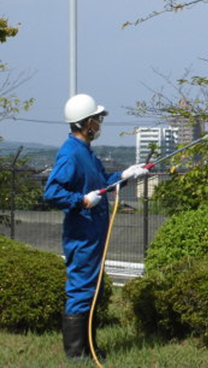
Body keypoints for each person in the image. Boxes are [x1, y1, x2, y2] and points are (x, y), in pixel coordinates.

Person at [43, 93, 148, 361]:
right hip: (82, 233)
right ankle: (77, 353)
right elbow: (52, 192)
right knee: (81, 287)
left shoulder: (85, 152)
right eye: (98, 120)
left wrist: (125, 176)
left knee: (93, 288)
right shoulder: (71, 154)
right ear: (87, 123)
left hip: (93, 232)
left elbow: (101, 180)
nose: (100, 124)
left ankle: (89, 346)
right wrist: (82, 200)